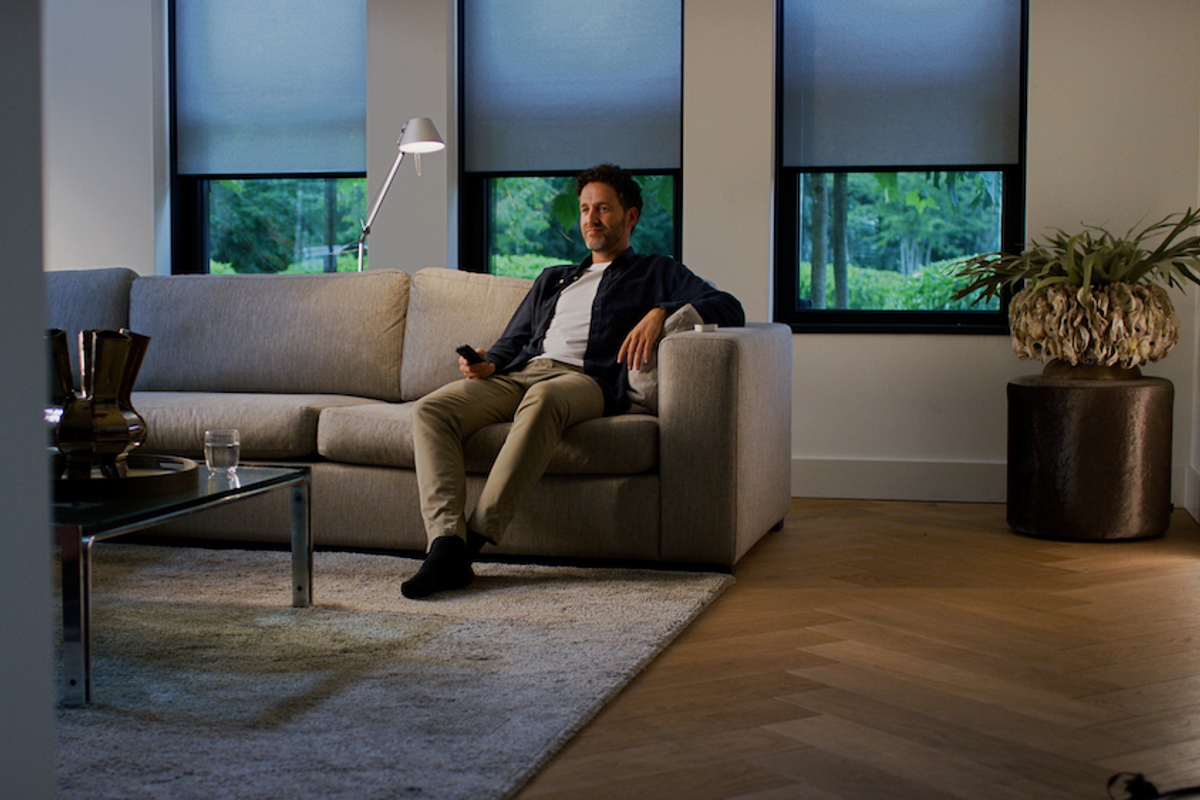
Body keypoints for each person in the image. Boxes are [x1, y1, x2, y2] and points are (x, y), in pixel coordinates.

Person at [402, 163, 745, 599]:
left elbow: (728, 305)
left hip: (587, 381)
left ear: (630, 217)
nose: (591, 219)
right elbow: (514, 341)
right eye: (585, 209)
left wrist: (661, 312)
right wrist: (488, 364)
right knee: (433, 409)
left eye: (603, 208)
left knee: (545, 398)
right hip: (522, 374)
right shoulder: (554, 277)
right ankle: (444, 541)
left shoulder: (656, 271)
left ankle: (469, 545)